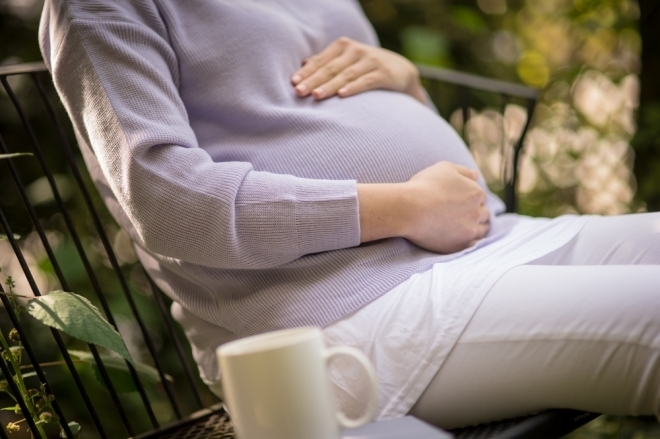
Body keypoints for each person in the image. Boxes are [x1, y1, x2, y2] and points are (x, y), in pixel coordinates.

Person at [39, 0, 660, 429]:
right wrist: (407, 208)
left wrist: (407, 81)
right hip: (336, 319)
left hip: (484, 247)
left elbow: (334, 107)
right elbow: (169, 201)